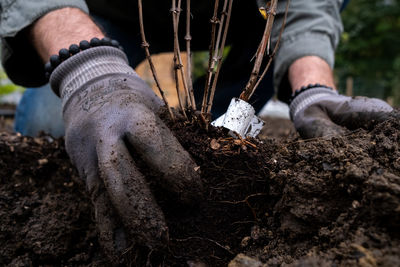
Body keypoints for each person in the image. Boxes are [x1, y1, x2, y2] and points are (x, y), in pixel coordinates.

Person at [0, 0, 394, 262]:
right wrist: (87, 70)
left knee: (213, 140)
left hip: (250, 20)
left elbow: (308, 3)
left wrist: (311, 86)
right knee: (48, 129)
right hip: (104, 11)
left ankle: (204, 134)